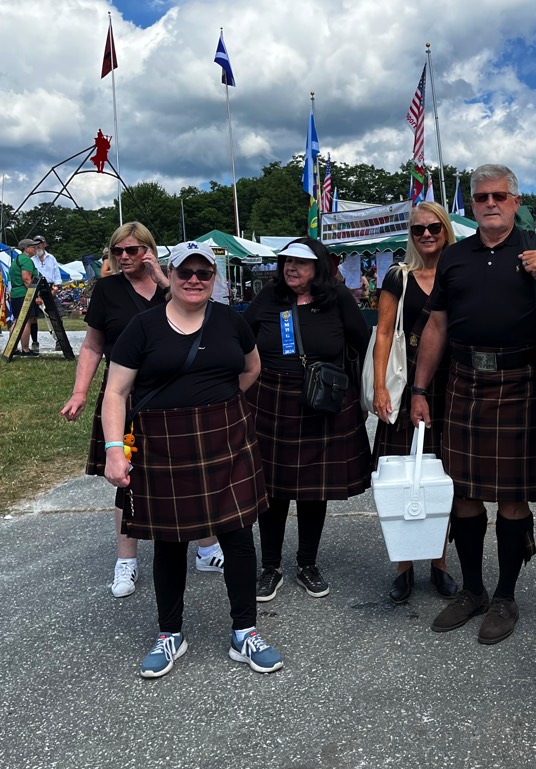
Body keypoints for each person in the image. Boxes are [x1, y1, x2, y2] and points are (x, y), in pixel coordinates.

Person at [410, 164, 536, 644]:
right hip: (464, 379)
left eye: (499, 196)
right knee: (462, 491)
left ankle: (505, 594)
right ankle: (473, 589)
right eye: (481, 196)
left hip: (520, 379)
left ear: (515, 199)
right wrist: (420, 390)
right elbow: (437, 325)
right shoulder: (454, 257)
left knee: (511, 495)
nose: (490, 203)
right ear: (471, 203)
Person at [102, 241, 282, 679]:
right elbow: (115, 392)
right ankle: (170, 635)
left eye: (204, 273)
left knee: (238, 536)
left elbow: (251, 367)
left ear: (214, 277)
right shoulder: (143, 328)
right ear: (171, 274)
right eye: (186, 272)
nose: (195, 280)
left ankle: (245, 632)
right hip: (163, 444)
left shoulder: (230, 322)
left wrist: (219, 407)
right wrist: (112, 451)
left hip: (225, 438)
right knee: (170, 541)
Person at [60, 222, 224, 598]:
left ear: (149, 250)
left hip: (174, 390)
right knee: (125, 479)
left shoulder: (176, 284)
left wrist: (162, 278)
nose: (123, 258)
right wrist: (80, 392)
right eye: (117, 251)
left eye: (132, 250)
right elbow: (93, 345)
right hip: (125, 392)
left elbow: (205, 316)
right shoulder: (108, 289)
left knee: (191, 471)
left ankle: (207, 547)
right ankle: (126, 561)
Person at [244, 239, 372, 602]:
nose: (291, 269)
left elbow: (363, 343)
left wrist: (361, 393)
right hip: (271, 399)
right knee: (272, 488)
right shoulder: (269, 298)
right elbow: (241, 337)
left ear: (318, 267)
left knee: (314, 488)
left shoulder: (337, 298)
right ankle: (270, 567)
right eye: (287, 262)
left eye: (301, 263)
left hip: (322, 399)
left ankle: (306, 563)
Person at [372, 202, 459, 604]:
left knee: (443, 482)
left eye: (433, 228)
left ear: (445, 230)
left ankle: (439, 564)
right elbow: (385, 335)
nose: (426, 235)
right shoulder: (397, 277)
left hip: (452, 385)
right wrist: (380, 387)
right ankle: (404, 568)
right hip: (407, 384)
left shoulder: (459, 272)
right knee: (404, 479)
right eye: (418, 229)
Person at [30, 235, 63, 353]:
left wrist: (54, 290)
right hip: (35, 288)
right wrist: (36, 295)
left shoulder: (51, 258)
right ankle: (34, 342)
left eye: (40, 243)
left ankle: (60, 341)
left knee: (56, 316)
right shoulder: (31, 260)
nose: (38, 246)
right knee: (33, 317)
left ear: (45, 244)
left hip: (49, 288)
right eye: (36, 244)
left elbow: (57, 276)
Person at [8, 239, 39, 356]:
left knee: (17, 321)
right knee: (26, 321)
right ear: (26, 248)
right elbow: (26, 279)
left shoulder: (17, 259)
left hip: (16, 293)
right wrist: (35, 294)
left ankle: (12, 347)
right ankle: (25, 349)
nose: (35, 249)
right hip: (24, 293)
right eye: (33, 246)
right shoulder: (26, 260)